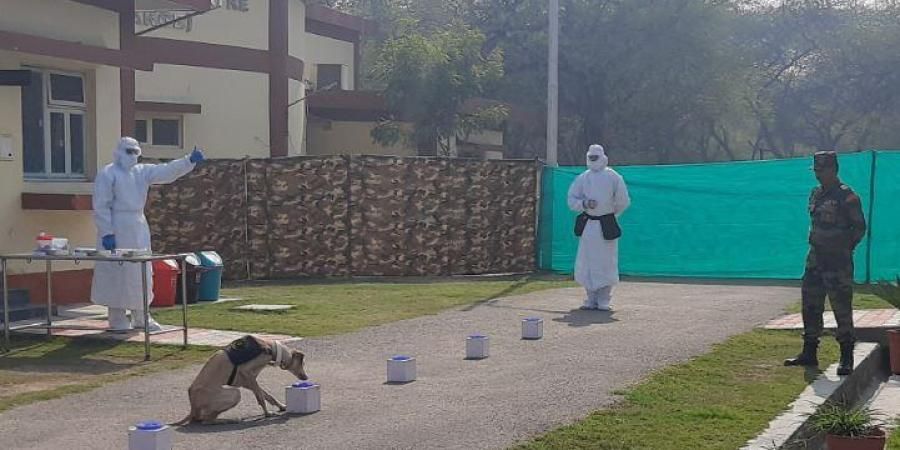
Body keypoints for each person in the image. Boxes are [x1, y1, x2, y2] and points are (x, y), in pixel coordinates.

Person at [91, 137, 204, 332]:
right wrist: (107, 232)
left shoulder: (141, 172)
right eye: (128, 151)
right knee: (116, 273)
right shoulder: (108, 173)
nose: (132, 156)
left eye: (136, 152)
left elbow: (166, 171)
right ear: (118, 152)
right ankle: (117, 318)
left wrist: (188, 160)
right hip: (116, 226)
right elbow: (101, 205)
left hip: (138, 227)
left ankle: (141, 316)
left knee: (140, 272)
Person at [785, 151, 866, 376]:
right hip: (815, 259)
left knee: (841, 308)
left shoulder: (847, 196)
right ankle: (809, 351)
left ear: (833, 169)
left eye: (822, 170)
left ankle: (846, 356)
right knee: (810, 305)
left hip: (837, 262)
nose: (818, 175)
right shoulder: (816, 193)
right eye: (816, 171)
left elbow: (859, 228)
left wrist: (843, 248)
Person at [567, 144, 631, 311]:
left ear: (602, 157)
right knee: (587, 261)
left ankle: (604, 299)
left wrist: (610, 213)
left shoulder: (613, 176)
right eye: (591, 157)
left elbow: (623, 200)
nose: (593, 160)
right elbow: (571, 199)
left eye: (596, 157)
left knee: (606, 262)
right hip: (588, 226)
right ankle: (590, 297)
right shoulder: (583, 178)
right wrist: (584, 204)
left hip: (606, 226)